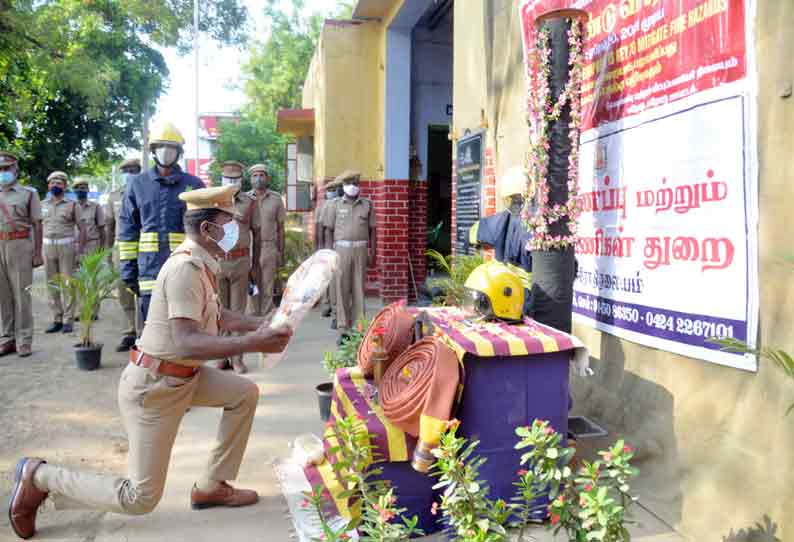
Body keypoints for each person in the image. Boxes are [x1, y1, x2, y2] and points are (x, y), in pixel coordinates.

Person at [8, 185, 293, 540]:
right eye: (229, 221)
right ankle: (39, 476)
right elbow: (186, 342)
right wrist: (255, 342)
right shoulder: (184, 269)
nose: (235, 227)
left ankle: (211, 485)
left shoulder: (203, 262)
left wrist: (263, 323)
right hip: (153, 389)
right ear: (207, 229)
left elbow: (219, 316)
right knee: (139, 498)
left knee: (243, 393)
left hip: (183, 379)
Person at [118, 122, 204, 325]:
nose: (166, 152)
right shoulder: (138, 185)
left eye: (172, 147)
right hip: (149, 270)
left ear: (179, 152)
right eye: (161, 147)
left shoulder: (194, 185)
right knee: (152, 329)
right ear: (153, 150)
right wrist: (128, 271)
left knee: (185, 327)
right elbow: (128, 229)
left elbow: (205, 229)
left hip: (184, 267)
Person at [215, 161, 261, 374]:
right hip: (217, 262)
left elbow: (257, 234)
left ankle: (238, 358)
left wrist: (255, 264)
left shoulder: (250, 203)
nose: (231, 183)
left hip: (241, 262)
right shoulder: (212, 201)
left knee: (239, 312)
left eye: (235, 179)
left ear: (241, 181)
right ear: (221, 179)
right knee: (219, 311)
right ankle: (222, 356)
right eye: (228, 179)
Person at [323, 170, 376, 339]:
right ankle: (343, 329)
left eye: (355, 184)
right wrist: (329, 254)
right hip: (341, 250)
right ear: (343, 186)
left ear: (359, 186)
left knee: (359, 289)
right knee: (341, 288)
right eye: (348, 184)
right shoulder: (335, 205)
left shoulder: (367, 204)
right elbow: (328, 231)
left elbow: (373, 231)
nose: (352, 187)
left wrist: (373, 253)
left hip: (361, 249)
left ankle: (359, 328)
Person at [0, 151, 43, 358]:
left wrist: (37, 253)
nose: (3, 172)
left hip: (20, 244)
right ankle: (7, 338)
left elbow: (37, 223)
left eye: (7, 168)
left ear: (16, 169)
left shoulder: (28, 193)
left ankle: (24, 339)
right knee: (3, 295)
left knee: (21, 294)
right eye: (0, 169)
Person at [105, 158, 142, 351]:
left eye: (133, 169)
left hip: (144, 245)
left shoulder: (147, 189)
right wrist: (108, 253)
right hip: (121, 248)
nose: (129, 173)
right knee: (123, 290)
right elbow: (109, 228)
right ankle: (129, 331)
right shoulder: (114, 196)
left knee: (142, 289)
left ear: (139, 170)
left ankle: (142, 332)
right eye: (126, 170)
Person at [43, 171, 85, 335]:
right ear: (48, 186)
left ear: (65, 186)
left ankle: (68, 320)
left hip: (66, 248)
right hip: (48, 248)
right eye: (52, 183)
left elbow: (82, 230)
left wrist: (80, 251)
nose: (55, 186)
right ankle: (57, 319)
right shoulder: (43, 204)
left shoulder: (72, 205)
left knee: (68, 284)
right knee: (52, 284)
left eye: (59, 183)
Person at [248, 164, 285, 316]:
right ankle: (253, 320)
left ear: (267, 178)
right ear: (250, 179)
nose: (258, 178)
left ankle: (267, 320)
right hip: (249, 249)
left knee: (268, 286)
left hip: (269, 248)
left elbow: (281, 228)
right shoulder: (244, 199)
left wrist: (281, 252)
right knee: (252, 286)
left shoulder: (276, 199)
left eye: (262, 175)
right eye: (255, 175)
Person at [316, 178, 342, 327]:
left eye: (335, 189)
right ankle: (328, 306)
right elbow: (319, 227)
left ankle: (334, 309)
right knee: (327, 278)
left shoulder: (342, 204)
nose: (333, 192)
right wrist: (320, 247)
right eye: (330, 190)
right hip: (328, 246)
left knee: (336, 280)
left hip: (339, 246)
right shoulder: (324, 206)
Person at [72, 177, 106, 261]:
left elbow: (102, 229)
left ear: (88, 190)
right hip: (74, 247)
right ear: (74, 191)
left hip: (92, 246)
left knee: (91, 273)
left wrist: (102, 249)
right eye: (77, 188)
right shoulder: (70, 206)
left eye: (83, 188)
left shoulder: (96, 206)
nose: (80, 190)